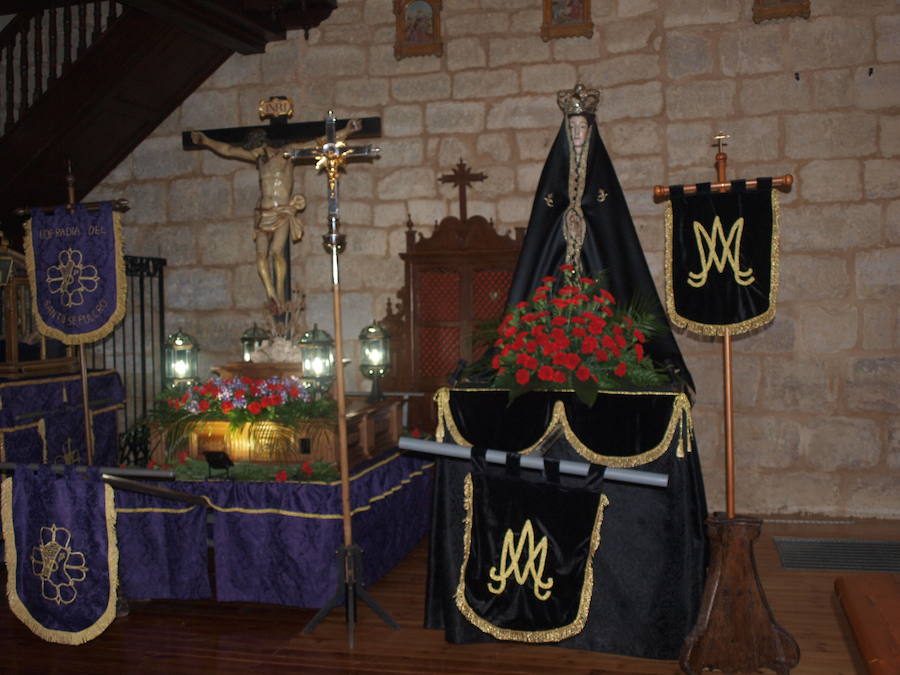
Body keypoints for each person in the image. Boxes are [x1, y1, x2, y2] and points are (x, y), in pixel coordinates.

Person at [504, 84, 695, 391]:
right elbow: (541, 239)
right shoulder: (553, 183)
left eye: (582, 128)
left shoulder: (603, 184)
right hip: (557, 291)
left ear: (591, 131)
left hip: (598, 291)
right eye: (573, 128)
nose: (578, 135)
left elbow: (615, 239)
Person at [190, 119, 361, 311]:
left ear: (262, 143)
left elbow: (317, 143)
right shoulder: (258, 157)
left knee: (276, 253)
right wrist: (206, 141)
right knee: (261, 257)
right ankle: (272, 296)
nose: (254, 152)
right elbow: (228, 150)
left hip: (281, 212)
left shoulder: (286, 153)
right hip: (263, 213)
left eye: (255, 147)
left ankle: (280, 293)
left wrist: (346, 131)